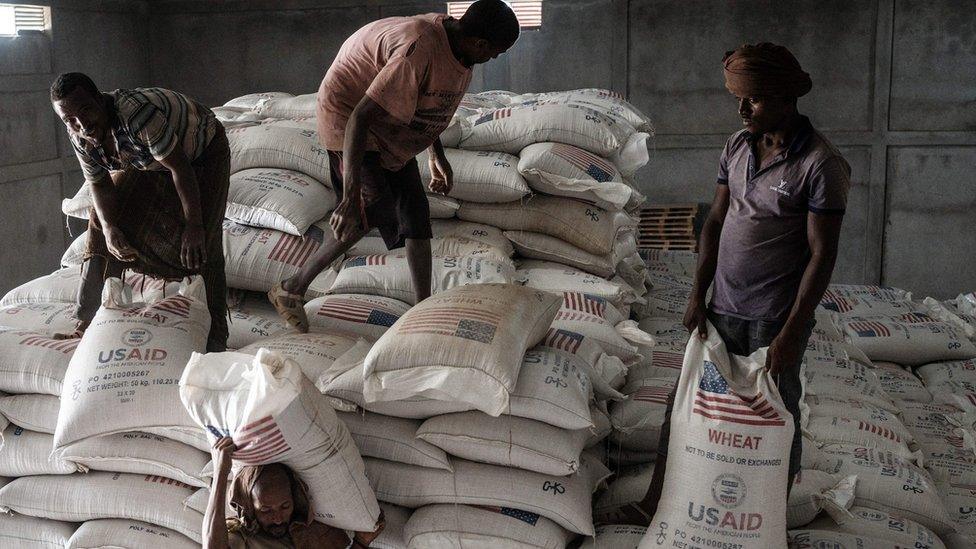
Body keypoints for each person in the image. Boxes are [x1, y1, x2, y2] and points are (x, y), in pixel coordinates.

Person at [630, 43, 851, 523]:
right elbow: (713, 222)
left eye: (752, 99)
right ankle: (655, 503)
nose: (741, 108)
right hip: (722, 308)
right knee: (688, 405)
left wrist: (794, 329)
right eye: (738, 98)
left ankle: (766, 520)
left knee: (773, 415)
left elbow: (822, 253)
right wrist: (697, 293)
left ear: (784, 97)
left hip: (775, 317)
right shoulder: (736, 145)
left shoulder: (820, 163)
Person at [267, 0, 521, 331]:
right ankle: (291, 287)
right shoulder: (416, 52)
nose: (494, 59)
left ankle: (422, 308)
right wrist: (348, 198)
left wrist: (436, 154)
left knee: (416, 213)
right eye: (496, 52)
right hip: (350, 113)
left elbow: (427, 103)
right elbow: (360, 117)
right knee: (369, 211)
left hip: (384, 119)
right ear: (480, 43)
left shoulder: (460, 50)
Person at [50, 73, 229, 351]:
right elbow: (99, 183)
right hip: (145, 159)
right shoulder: (79, 133)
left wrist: (194, 225)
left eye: (85, 110)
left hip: (200, 152)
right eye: (69, 119)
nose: (81, 124)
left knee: (202, 243)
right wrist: (110, 229)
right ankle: (85, 321)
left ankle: (216, 338)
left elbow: (180, 168)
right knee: (101, 222)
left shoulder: (137, 115)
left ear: (100, 100)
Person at [204, 437, 385, 549]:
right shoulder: (243, 536)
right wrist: (220, 472)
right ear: (251, 507)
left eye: (285, 506)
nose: (277, 518)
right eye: (266, 510)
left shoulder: (308, 532)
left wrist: (361, 542)